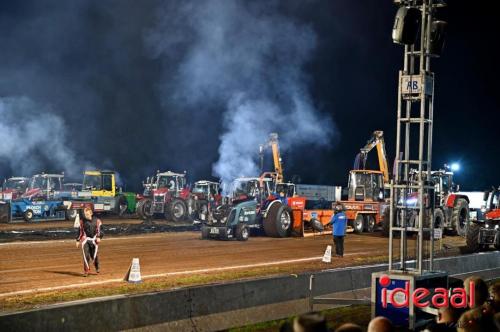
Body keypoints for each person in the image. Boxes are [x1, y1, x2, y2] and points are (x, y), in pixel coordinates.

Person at [76, 206, 103, 277]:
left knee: (94, 256)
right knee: (86, 255)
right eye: (85, 214)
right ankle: (86, 271)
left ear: (91, 213)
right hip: (86, 240)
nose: (86, 215)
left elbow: (100, 230)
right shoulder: (82, 221)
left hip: (94, 240)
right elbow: (80, 231)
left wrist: (99, 237)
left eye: (87, 214)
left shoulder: (97, 221)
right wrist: (78, 240)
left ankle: (97, 267)